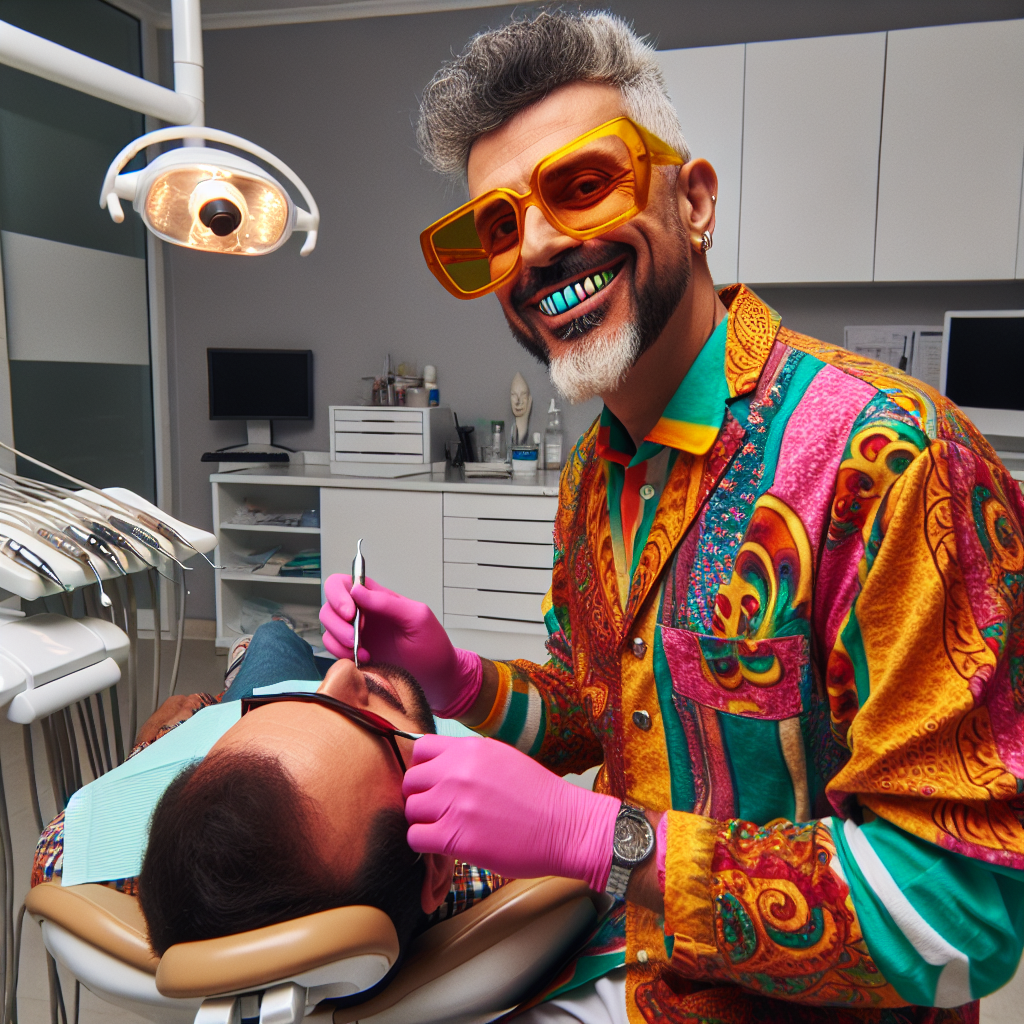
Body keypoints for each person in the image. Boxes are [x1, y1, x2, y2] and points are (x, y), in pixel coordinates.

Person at [319, 10, 1024, 1024]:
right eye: (499, 227)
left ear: (692, 201)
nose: (539, 247)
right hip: (627, 964)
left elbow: (964, 916)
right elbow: (598, 711)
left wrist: (598, 838)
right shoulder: (594, 477)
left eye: (582, 185)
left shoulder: (891, 460)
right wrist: (456, 677)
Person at [32, 621, 505, 959]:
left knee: (268, 640)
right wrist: (468, 681)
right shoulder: (490, 859)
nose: (344, 671)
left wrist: (155, 743)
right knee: (274, 638)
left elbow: (57, 850)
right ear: (437, 868)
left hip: (252, 698)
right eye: (362, 723)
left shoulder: (90, 868)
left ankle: (237, 694)